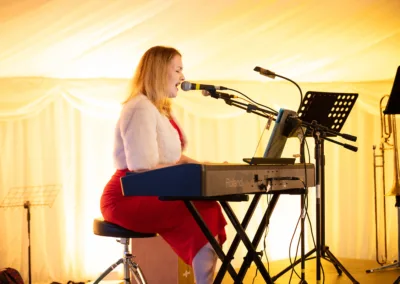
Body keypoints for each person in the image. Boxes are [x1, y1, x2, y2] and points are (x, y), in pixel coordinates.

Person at [100, 45, 227, 284]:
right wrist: (192, 173)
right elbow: (142, 167)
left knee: (208, 207)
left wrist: (206, 166)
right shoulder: (140, 107)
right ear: (159, 71)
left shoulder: (160, 109)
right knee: (203, 209)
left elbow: (173, 158)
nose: (182, 77)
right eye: (177, 69)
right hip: (127, 196)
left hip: (150, 189)